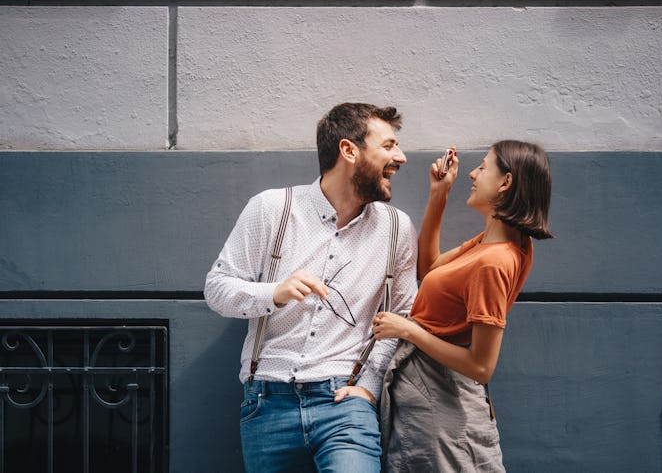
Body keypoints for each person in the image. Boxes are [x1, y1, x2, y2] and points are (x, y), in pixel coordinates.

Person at [204, 103, 418, 473]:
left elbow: (401, 317)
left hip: (344, 404)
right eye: (388, 146)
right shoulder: (274, 208)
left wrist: (367, 387)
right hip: (266, 401)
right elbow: (217, 288)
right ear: (349, 150)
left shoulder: (396, 228)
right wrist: (274, 293)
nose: (400, 157)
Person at [373, 140, 553, 472]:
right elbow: (429, 269)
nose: (472, 173)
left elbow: (481, 366)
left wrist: (409, 330)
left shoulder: (494, 262)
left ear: (506, 182)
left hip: (439, 398)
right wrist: (439, 194)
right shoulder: (498, 243)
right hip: (431, 396)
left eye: (483, 167)